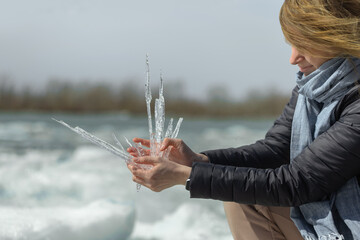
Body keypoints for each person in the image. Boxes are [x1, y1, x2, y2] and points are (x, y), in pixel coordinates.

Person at [127, 0, 360, 239]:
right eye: (292, 44)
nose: (293, 58)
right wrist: (199, 161)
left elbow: (296, 184)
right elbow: (276, 149)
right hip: (329, 215)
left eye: (303, 44)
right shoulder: (310, 87)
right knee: (240, 196)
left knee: (245, 193)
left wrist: (185, 176)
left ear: (336, 35)